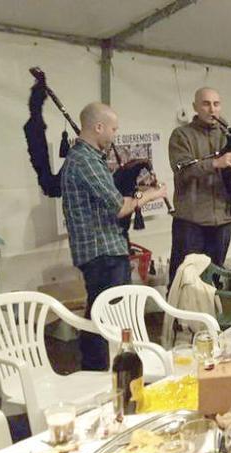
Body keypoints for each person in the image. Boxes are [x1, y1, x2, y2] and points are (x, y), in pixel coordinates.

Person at [61, 102, 168, 370]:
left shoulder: (87, 159)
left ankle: (98, 368)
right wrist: (152, 195)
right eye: (113, 129)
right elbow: (120, 207)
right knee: (105, 315)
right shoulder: (84, 160)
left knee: (99, 312)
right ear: (98, 127)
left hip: (104, 250)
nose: (114, 135)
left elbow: (108, 200)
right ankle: (100, 372)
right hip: (103, 252)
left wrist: (136, 189)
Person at [168, 87, 231, 285]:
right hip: (191, 222)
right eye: (206, 104)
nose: (212, 109)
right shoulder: (181, 135)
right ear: (195, 107)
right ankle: (177, 317)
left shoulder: (230, 135)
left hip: (223, 220)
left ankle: (211, 316)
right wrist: (217, 163)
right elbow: (182, 171)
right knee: (183, 280)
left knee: (213, 279)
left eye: (216, 104)